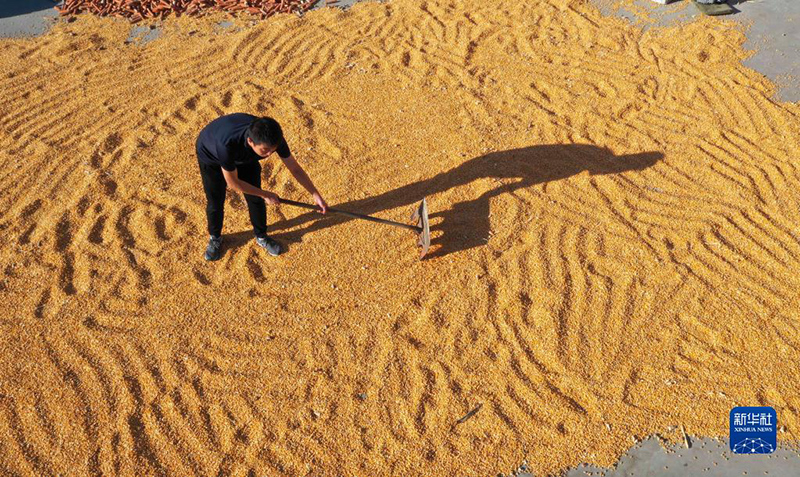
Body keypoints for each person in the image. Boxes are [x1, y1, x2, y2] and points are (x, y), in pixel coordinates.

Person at [195, 113, 328, 261]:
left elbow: (294, 168)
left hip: (245, 156)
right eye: (265, 150)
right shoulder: (226, 145)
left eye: (273, 149)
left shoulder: (273, 139)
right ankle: (215, 238)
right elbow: (233, 183)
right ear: (251, 141)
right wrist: (265, 194)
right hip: (210, 156)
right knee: (215, 200)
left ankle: (261, 236)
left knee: (255, 198)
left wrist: (315, 194)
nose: (270, 154)